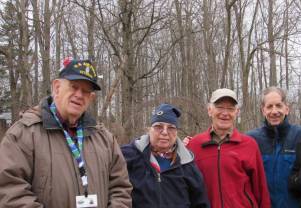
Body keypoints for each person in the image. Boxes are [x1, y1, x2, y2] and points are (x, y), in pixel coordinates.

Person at [0, 58, 132, 207]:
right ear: (57, 88)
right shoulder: (23, 134)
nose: (79, 95)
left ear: (91, 98)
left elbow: (121, 188)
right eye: (74, 87)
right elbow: (10, 191)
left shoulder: (105, 139)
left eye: (86, 91)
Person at [187, 88, 271, 208]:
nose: (225, 113)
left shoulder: (249, 145)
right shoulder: (194, 145)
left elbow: (260, 188)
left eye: (230, 109)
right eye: (220, 107)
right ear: (209, 110)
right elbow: (187, 188)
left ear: (237, 112)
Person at [121, 103, 210, 208]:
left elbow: (201, 203)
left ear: (176, 132)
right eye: (158, 126)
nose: (164, 132)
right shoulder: (128, 156)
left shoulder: (187, 164)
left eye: (171, 128)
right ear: (149, 129)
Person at [246, 87, 301, 208]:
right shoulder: (251, 140)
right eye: (269, 107)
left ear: (287, 109)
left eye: (278, 105)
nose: (274, 111)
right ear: (263, 110)